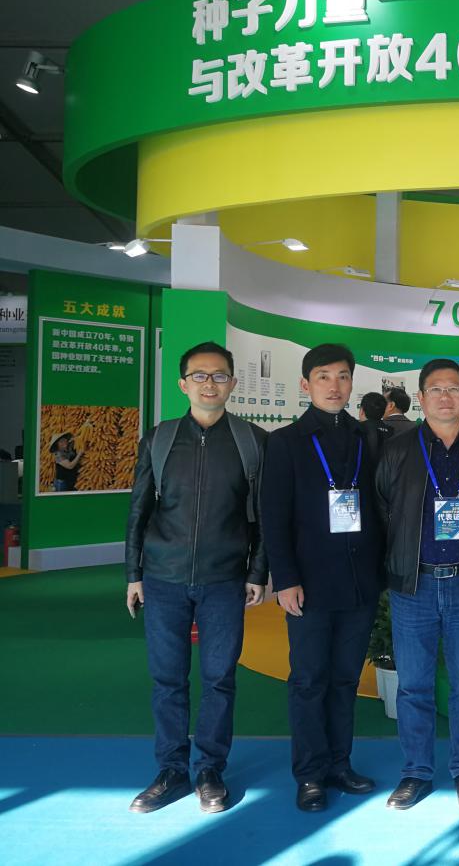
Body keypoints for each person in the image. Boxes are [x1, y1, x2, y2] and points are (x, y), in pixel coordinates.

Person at [124, 342, 267, 815]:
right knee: (167, 679)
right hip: (162, 578)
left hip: (224, 580)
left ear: (233, 383)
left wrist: (257, 571)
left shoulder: (252, 441)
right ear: (183, 383)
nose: (210, 383)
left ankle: (209, 770)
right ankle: (170, 771)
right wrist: (133, 573)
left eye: (219, 375)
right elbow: (139, 509)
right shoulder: (160, 438)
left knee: (219, 678)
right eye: (200, 375)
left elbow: (263, 515)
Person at [261, 343, 385, 812]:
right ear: (305, 384)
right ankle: (310, 773)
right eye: (323, 377)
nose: (335, 386)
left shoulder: (367, 438)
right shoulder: (286, 442)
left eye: (343, 376)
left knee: (345, 678)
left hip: (359, 581)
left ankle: (339, 763)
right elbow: (274, 517)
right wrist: (285, 578)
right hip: (308, 584)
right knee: (309, 679)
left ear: (352, 382)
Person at [376, 359, 459, 811]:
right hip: (415, 587)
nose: (445, 397)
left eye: (454, 389)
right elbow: (381, 511)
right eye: (436, 389)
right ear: (421, 398)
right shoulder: (397, 450)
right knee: (413, 687)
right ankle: (416, 772)